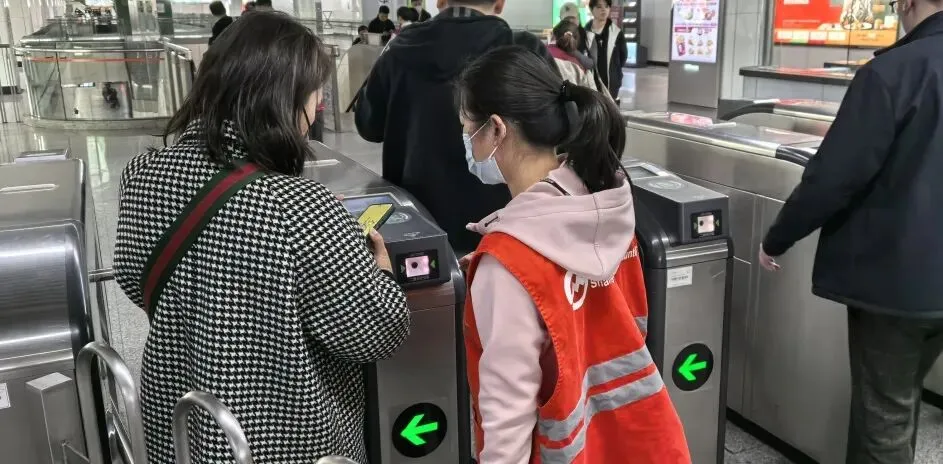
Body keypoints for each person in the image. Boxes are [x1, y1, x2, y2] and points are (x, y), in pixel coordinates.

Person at [113, 12, 410, 464]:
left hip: (183, 429)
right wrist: (381, 273)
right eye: (314, 94)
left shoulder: (143, 176)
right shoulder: (300, 206)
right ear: (282, 99)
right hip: (287, 442)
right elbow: (374, 334)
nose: (316, 108)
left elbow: (133, 278)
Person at [457, 46, 691, 463]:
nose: (467, 143)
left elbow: (508, 419)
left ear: (496, 129)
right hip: (639, 442)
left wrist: (500, 282)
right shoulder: (604, 206)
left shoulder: (509, 261)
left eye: (467, 129)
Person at [758, 2, 943, 463]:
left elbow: (834, 177)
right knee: (903, 397)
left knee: (884, 418)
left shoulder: (893, 72)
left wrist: (777, 237)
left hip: (898, 282)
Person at [354, 0, 558, 253]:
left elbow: (369, 126)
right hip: (504, 229)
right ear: (500, 3)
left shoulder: (401, 48)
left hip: (416, 227)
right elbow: (555, 131)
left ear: (440, 2)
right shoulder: (525, 50)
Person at [585, 0, 626, 102]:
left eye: (606, 6)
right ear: (592, 9)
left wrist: (615, 73)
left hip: (611, 83)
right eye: (599, 7)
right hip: (590, 83)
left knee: (610, 109)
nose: (604, 9)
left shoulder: (616, 33)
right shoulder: (584, 32)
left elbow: (623, 57)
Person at [549, 20, 598, 92]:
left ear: (553, 35)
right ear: (577, 39)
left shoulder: (540, 53)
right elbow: (592, 94)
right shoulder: (579, 66)